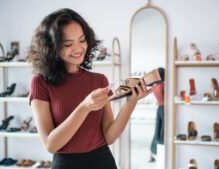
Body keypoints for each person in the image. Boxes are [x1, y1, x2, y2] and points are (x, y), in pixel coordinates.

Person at [27, 8, 151, 169]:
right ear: (52, 47)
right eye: (68, 44)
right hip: (66, 165)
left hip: (103, 162)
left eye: (82, 40)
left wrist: (131, 102)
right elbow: (51, 144)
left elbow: (109, 136)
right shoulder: (40, 82)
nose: (78, 48)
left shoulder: (99, 80)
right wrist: (85, 107)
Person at [149, 67, 165, 162]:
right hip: (164, 109)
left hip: (159, 108)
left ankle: (151, 154)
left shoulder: (155, 85)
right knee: (163, 133)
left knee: (157, 131)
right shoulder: (163, 85)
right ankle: (161, 155)